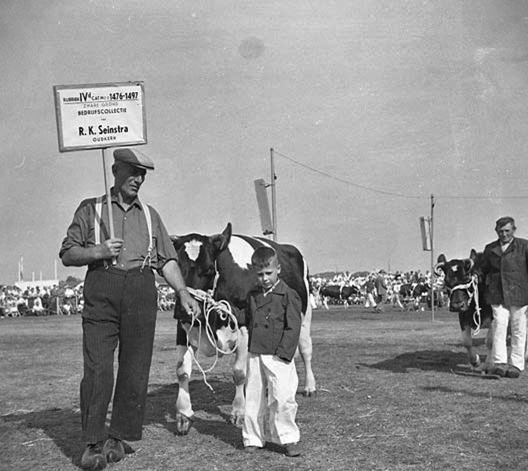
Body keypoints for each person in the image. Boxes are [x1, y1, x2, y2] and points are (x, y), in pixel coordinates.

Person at [59, 147, 200, 470]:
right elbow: (68, 253)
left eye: (143, 175)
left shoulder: (150, 215)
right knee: (97, 368)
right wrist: (98, 250)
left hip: (140, 289)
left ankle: (117, 437)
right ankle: (93, 442)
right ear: (115, 171)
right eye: (132, 172)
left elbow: (166, 260)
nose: (138, 179)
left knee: (135, 368)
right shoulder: (90, 210)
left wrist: (182, 292)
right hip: (102, 287)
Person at [242, 246, 302, 458]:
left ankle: (288, 437)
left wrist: (284, 354)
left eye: (268, 273)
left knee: (283, 398)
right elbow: (246, 319)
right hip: (256, 352)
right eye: (260, 274)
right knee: (253, 398)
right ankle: (253, 437)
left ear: (278, 270)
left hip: (279, 355)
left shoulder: (289, 295)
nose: (265, 278)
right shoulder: (252, 295)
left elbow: (293, 327)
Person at [479, 216, 528, 378]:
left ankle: (516, 365)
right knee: (499, 326)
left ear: (514, 230)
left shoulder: (524, 246)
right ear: (496, 232)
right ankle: (499, 363)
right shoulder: (490, 249)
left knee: (518, 330)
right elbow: (482, 270)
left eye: (507, 230)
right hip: (497, 294)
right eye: (501, 231)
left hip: (519, 294)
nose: (504, 234)